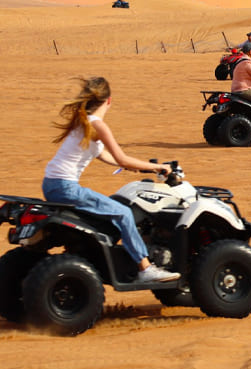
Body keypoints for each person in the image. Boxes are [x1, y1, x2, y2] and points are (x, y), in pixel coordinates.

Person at [42, 77, 180, 283]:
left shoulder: (83, 122)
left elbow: (107, 156)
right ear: (109, 101)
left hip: (51, 184)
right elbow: (122, 157)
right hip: (65, 187)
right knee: (124, 213)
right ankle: (146, 269)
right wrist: (158, 167)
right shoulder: (98, 125)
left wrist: (128, 166)